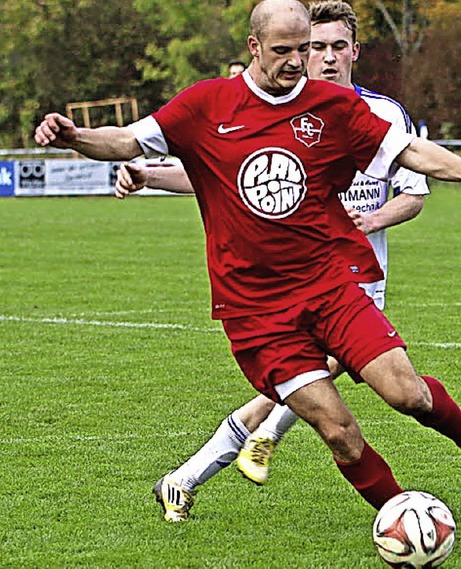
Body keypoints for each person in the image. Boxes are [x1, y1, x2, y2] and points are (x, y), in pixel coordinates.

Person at [35, 0, 461, 526]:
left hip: (329, 287)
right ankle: (401, 520)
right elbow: (126, 140)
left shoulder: (333, 108)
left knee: (406, 393)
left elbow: (412, 153)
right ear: (254, 46)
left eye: (305, 48)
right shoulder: (206, 104)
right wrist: (76, 138)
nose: (298, 61)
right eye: (285, 50)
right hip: (255, 311)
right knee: (339, 431)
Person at [115, 0, 430, 494]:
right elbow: (222, 179)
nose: (324, 58)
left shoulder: (383, 114)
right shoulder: (270, 107)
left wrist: (372, 218)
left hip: (359, 274)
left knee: (321, 380)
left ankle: (208, 465)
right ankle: (236, 451)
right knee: (308, 383)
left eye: (334, 47)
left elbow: (414, 194)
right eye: (315, 47)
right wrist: (149, 173)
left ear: (355, 51)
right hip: (292, 280)